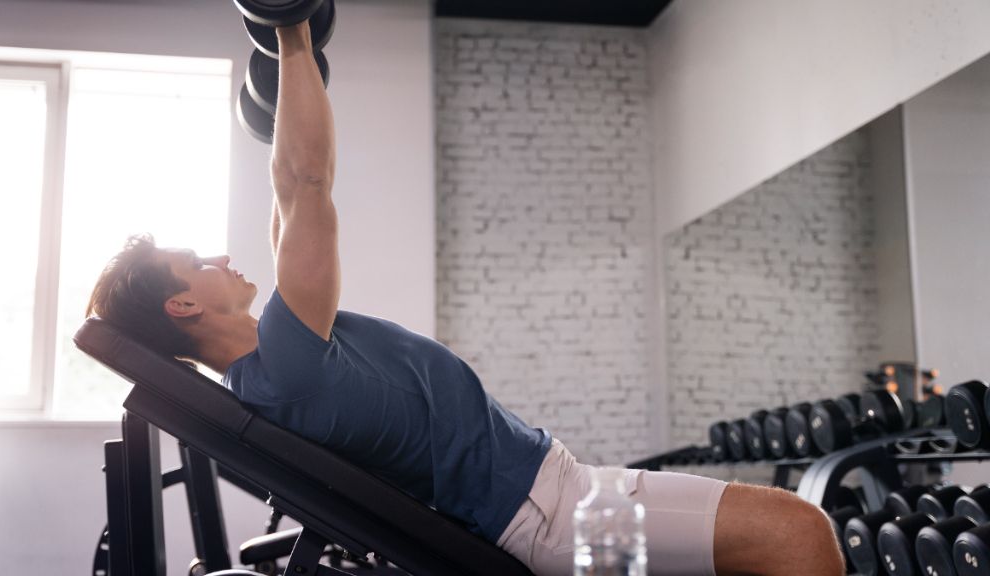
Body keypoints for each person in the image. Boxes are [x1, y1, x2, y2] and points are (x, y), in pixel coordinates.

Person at [86, 20, 843, 576]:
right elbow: (305, 184)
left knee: (749, 552)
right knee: (796, 535)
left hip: (558, 497)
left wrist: (292, 61)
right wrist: (287, 34)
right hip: (558, 520)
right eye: (197, 261)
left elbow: (289, 199)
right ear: (183, 308)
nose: (221, 256)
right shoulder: (283, 361)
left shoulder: (271, 367)